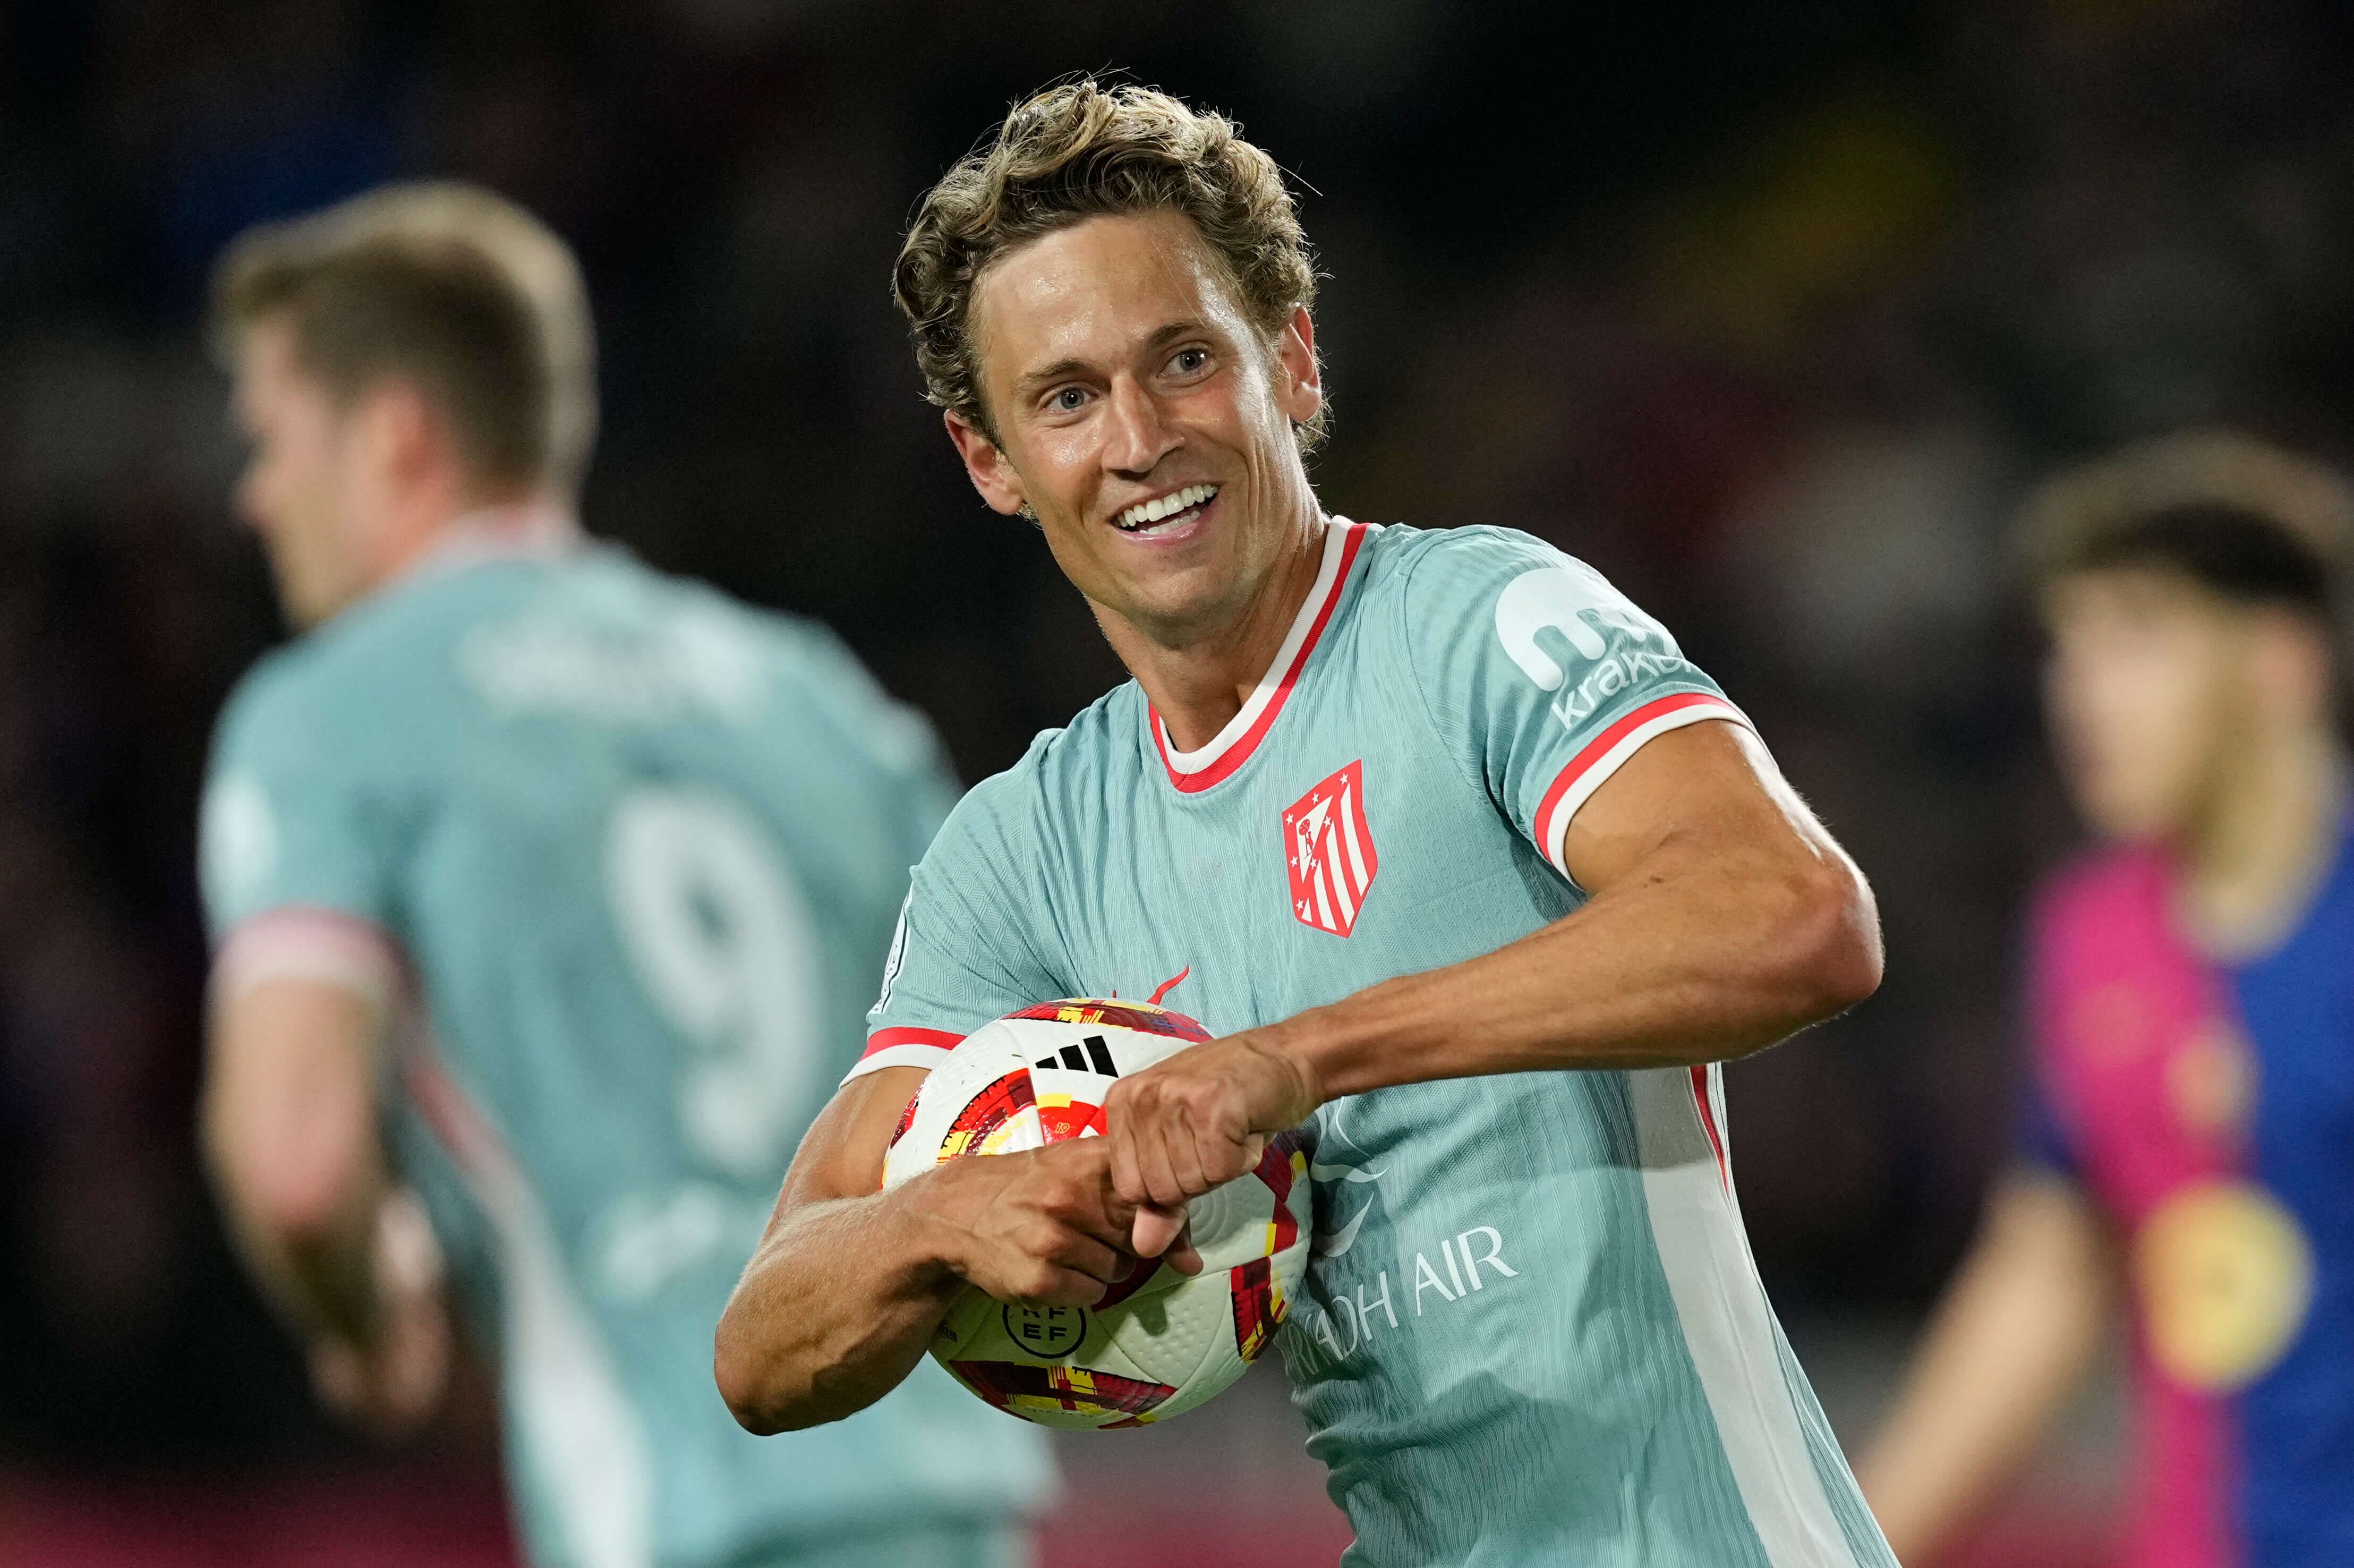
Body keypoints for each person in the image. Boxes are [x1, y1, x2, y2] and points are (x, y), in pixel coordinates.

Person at [717, 80, 1896, 1567]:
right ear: (990, 462)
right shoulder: (1024, 846)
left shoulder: (1479, 622)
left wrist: (1297, 1058)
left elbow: (1796, 916)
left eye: (1185, 360)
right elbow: (765, 1344)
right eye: (1067, 397)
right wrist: (943, 1220)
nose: (1138, 438)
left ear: (1293, 360)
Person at [196, 182, 1050, 1568]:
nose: (254, 495)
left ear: (396, 434)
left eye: (273, 440)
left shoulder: (333, 716)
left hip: (684, 1509)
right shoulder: (815, 700)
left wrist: (370, 1318)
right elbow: (1030, 1065)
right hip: (946, 1494)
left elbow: (294, 1163)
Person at [1859, 432, 2354, 1568]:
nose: (2079, 693)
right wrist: (1847, 1549)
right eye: (2063, 647)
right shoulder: (2088, 935)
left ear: (2278, 660)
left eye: (2133, 635)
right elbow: (2045, 1267)